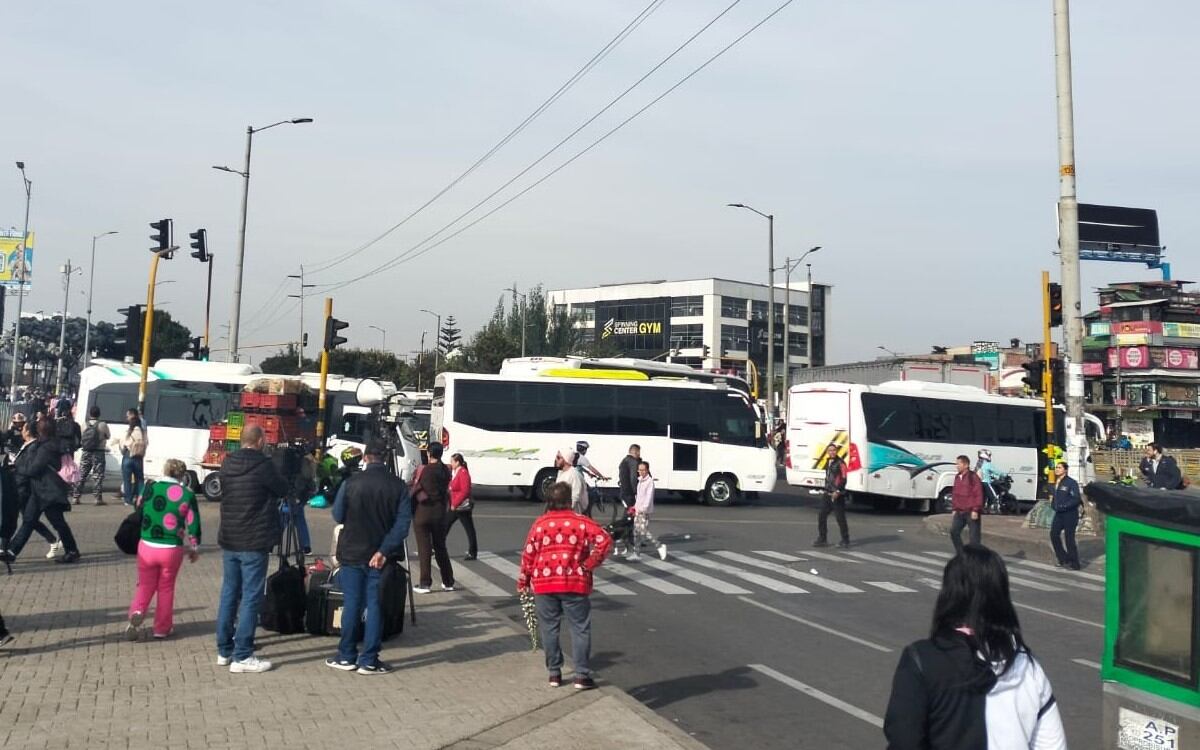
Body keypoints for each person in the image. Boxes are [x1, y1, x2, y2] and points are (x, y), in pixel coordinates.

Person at [883, 545, 1067, 749]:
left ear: (949, 594)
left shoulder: (921, 660)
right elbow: (1052, 744)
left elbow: (903, 739)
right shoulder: (1028, 667)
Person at [326, 439, 413, 675]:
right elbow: (403, 524)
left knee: (352, 603)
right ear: (385, 459)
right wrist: (384, 550)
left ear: (365, 458)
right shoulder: (398, 486)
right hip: (379, 555)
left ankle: (346, 656)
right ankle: (370, 660)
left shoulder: (351, 483)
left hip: (352, 550)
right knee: (374, 605)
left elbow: (337, 515)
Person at [517, 481, 613, 690]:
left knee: (549, 628)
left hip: (544, 582)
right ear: (569, 500)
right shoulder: (581, 522)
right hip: (574, 582)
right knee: (579, 628)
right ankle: (581, 675)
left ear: (549, 501)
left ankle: (554, 673)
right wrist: (589, 564)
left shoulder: (540, 524)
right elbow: (604, 540)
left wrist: (523, 580)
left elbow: (529, 554)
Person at [215, 424, 288, 674]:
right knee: (251, 596)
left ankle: (224, 649)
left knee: (229, 592)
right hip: (254, 539)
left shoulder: (227, 463)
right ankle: (242, 654)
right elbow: (283, 489)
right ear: (259, 441)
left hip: (230, 537)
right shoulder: (263, 465)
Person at [126, 459, 202, 641]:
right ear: (182, 475)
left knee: (144, 585)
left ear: (165, 470)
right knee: (166, 588)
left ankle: (136, 613)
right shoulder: (187, 495)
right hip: (171, 548)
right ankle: (161, 628)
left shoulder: (150, 488)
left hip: (147, 545)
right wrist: (194, 546)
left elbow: (139, 506)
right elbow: (193, 522)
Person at [3, 418, 80, 564]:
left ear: (40, 430)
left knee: (57, 522)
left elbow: (34, 468)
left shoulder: (47, 447)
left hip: (49, 491)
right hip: (40, 490)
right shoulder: (51, 444)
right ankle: (12, 552)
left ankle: (72, 550)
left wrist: (17, 468)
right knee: (29, 520)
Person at [411, 441, 454, 594]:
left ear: (429, 453)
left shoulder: (425, 470)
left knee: (424, 549)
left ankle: (425, 583)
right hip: (440, 513)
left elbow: (415, 486)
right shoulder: (445, 470)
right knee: (441, 547)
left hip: (423, 512)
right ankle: (448, 581)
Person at [627, 460, 667, 561]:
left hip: (643, 511)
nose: (641, 472)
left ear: (647, 470)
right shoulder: (640, 481)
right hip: (638, 510)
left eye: (643, 470)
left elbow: (648, 498)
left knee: (643, 531)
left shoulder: (649, 482)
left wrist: (642, 509)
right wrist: (634, 507)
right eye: (639, 470)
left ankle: (659, 546)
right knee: (636, 532)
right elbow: (639, 497)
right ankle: (637, 553)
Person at [813, 443, 850, 549]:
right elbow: (829, 477)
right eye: (830, 450)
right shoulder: (828, 462)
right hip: (827, 493)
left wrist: (838, 491)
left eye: (833, 450)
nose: (832, 452)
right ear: (827, 452)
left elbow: (844, 478)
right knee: (821, 516)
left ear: (837, 451)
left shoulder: (841, 463)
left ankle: (845, 539)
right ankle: (822, 538)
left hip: (837, 495)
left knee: (840, 518)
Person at [73, 406, 110, 505]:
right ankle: (97, 498)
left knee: (82, 474)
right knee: (98, 476)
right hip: (98, 452)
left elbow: (81, 437)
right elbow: (108, 436)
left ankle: (76, 497)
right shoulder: (103, 425)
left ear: (90, 414)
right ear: (99, 414)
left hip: (86, 452)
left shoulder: (84, 425)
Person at [1049, 462, 1082, 571]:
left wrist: (1065, 506)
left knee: (1069, 539)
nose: (1057, 470)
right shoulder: (1056, 482)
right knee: (1054, 534)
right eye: (1056, 468)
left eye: (1059, 468)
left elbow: (1076, 499)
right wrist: (1054, 505)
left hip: (1070, 514)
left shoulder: (1071, 483)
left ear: (1065, 470)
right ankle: (1063, 558)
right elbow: (1054, 497)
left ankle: (1074, 563)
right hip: (1059, 514)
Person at [446, 452, 478, 561]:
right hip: (456, 505)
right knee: (445, 525)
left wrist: (455, 504)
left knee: (469, 529)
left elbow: (465, 491)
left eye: (452, 462)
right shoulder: (455, 472)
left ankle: (472, 552)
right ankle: (436, 547)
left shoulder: (463, 473)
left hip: (461, 507)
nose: (451, 464)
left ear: (458, 462)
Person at [949, 455, 983, 555]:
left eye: (958, 464)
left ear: (966, 465)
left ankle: (975, 559)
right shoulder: (957, 477)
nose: (957, 466)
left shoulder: (973, 477)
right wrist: (954, 508)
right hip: (960, 511)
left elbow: (978, 493)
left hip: (971, 511)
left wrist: (975, 509)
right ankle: (961, 554)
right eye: (956, 464)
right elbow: (955, 493)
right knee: (954, 532)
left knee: (974, 539)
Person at [118, 408, 147, 506]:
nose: (126, 418)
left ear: (131, 416)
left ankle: (128, 500)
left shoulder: (129, 431)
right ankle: (140, 499)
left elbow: (124, 443)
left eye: (127, 416)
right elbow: (146, 442)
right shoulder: (143, 431)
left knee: (127, 480)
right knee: (140, 479)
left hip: (128, 456)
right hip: (138, 457)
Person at [555, 447, 587, 515]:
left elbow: (575, 497)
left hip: (571, 515)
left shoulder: (574, 475)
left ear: (566, 459)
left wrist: (565, 511)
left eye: (558, 457)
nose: (556, 459)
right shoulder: (561, 473)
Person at [617, 444, 641, 509]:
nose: (639, 454)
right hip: (629, 491)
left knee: (629, 511)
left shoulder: (625, 460)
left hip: (624, 490)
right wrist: (635, 491)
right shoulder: (633, 462)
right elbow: (633, 477)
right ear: (635, 452)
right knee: (630, 510)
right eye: (638, 451)